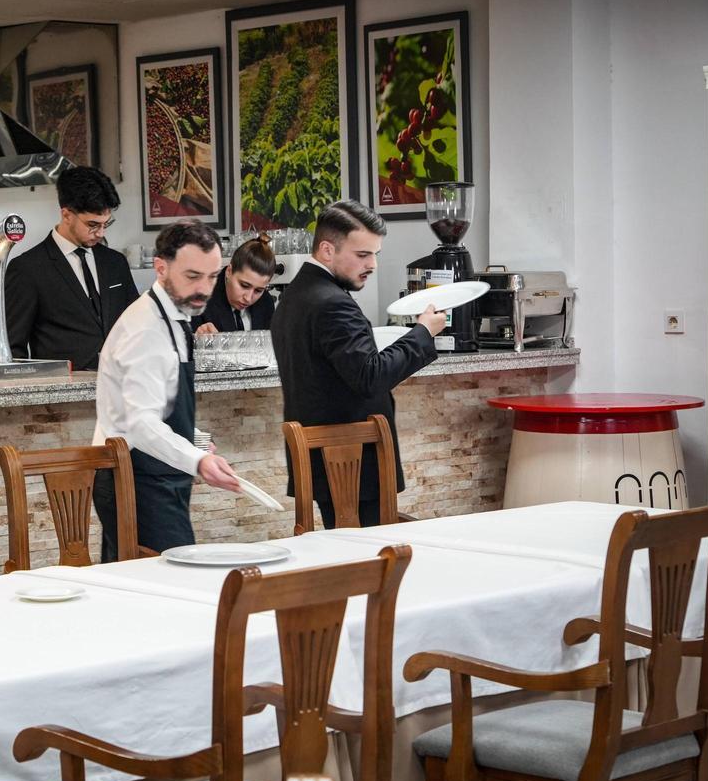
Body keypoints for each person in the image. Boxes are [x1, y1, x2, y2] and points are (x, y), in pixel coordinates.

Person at [270, 200, 445, 529]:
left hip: (325, 461)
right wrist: (423, 333)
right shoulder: (333, 304)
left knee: (343, 553)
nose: (373, 265)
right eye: (363, 255)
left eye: (375, 254)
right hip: (354, 460)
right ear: (326, 250)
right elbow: (370, 376)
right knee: (367, 563)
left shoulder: (293, 296)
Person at [92, 219, 241, 561]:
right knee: (179, 580)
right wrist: (199, 460)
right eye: (193, 276)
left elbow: (161, 404)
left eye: (212, 276)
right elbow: (140, 425)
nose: (205, 288)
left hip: (157, 472)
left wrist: (195, 438)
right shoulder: (146, 328)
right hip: (135, 477)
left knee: (142, 589)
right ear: (160, 267)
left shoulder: (175, 315)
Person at [5, 166, 139, 371]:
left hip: (121, 384)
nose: (100, 233)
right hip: (62, 395)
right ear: (66, 214)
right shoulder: (27, 269)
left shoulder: (116, 263)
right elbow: (14, 350)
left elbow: (137, 323)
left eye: (106, 224)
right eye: (92, 225)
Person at [192, 233, 277, 334]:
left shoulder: (266, 303)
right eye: (244, 285)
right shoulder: (200, 298)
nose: (248, 298)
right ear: (229, 271)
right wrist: (197, 340)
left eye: (258, 290)